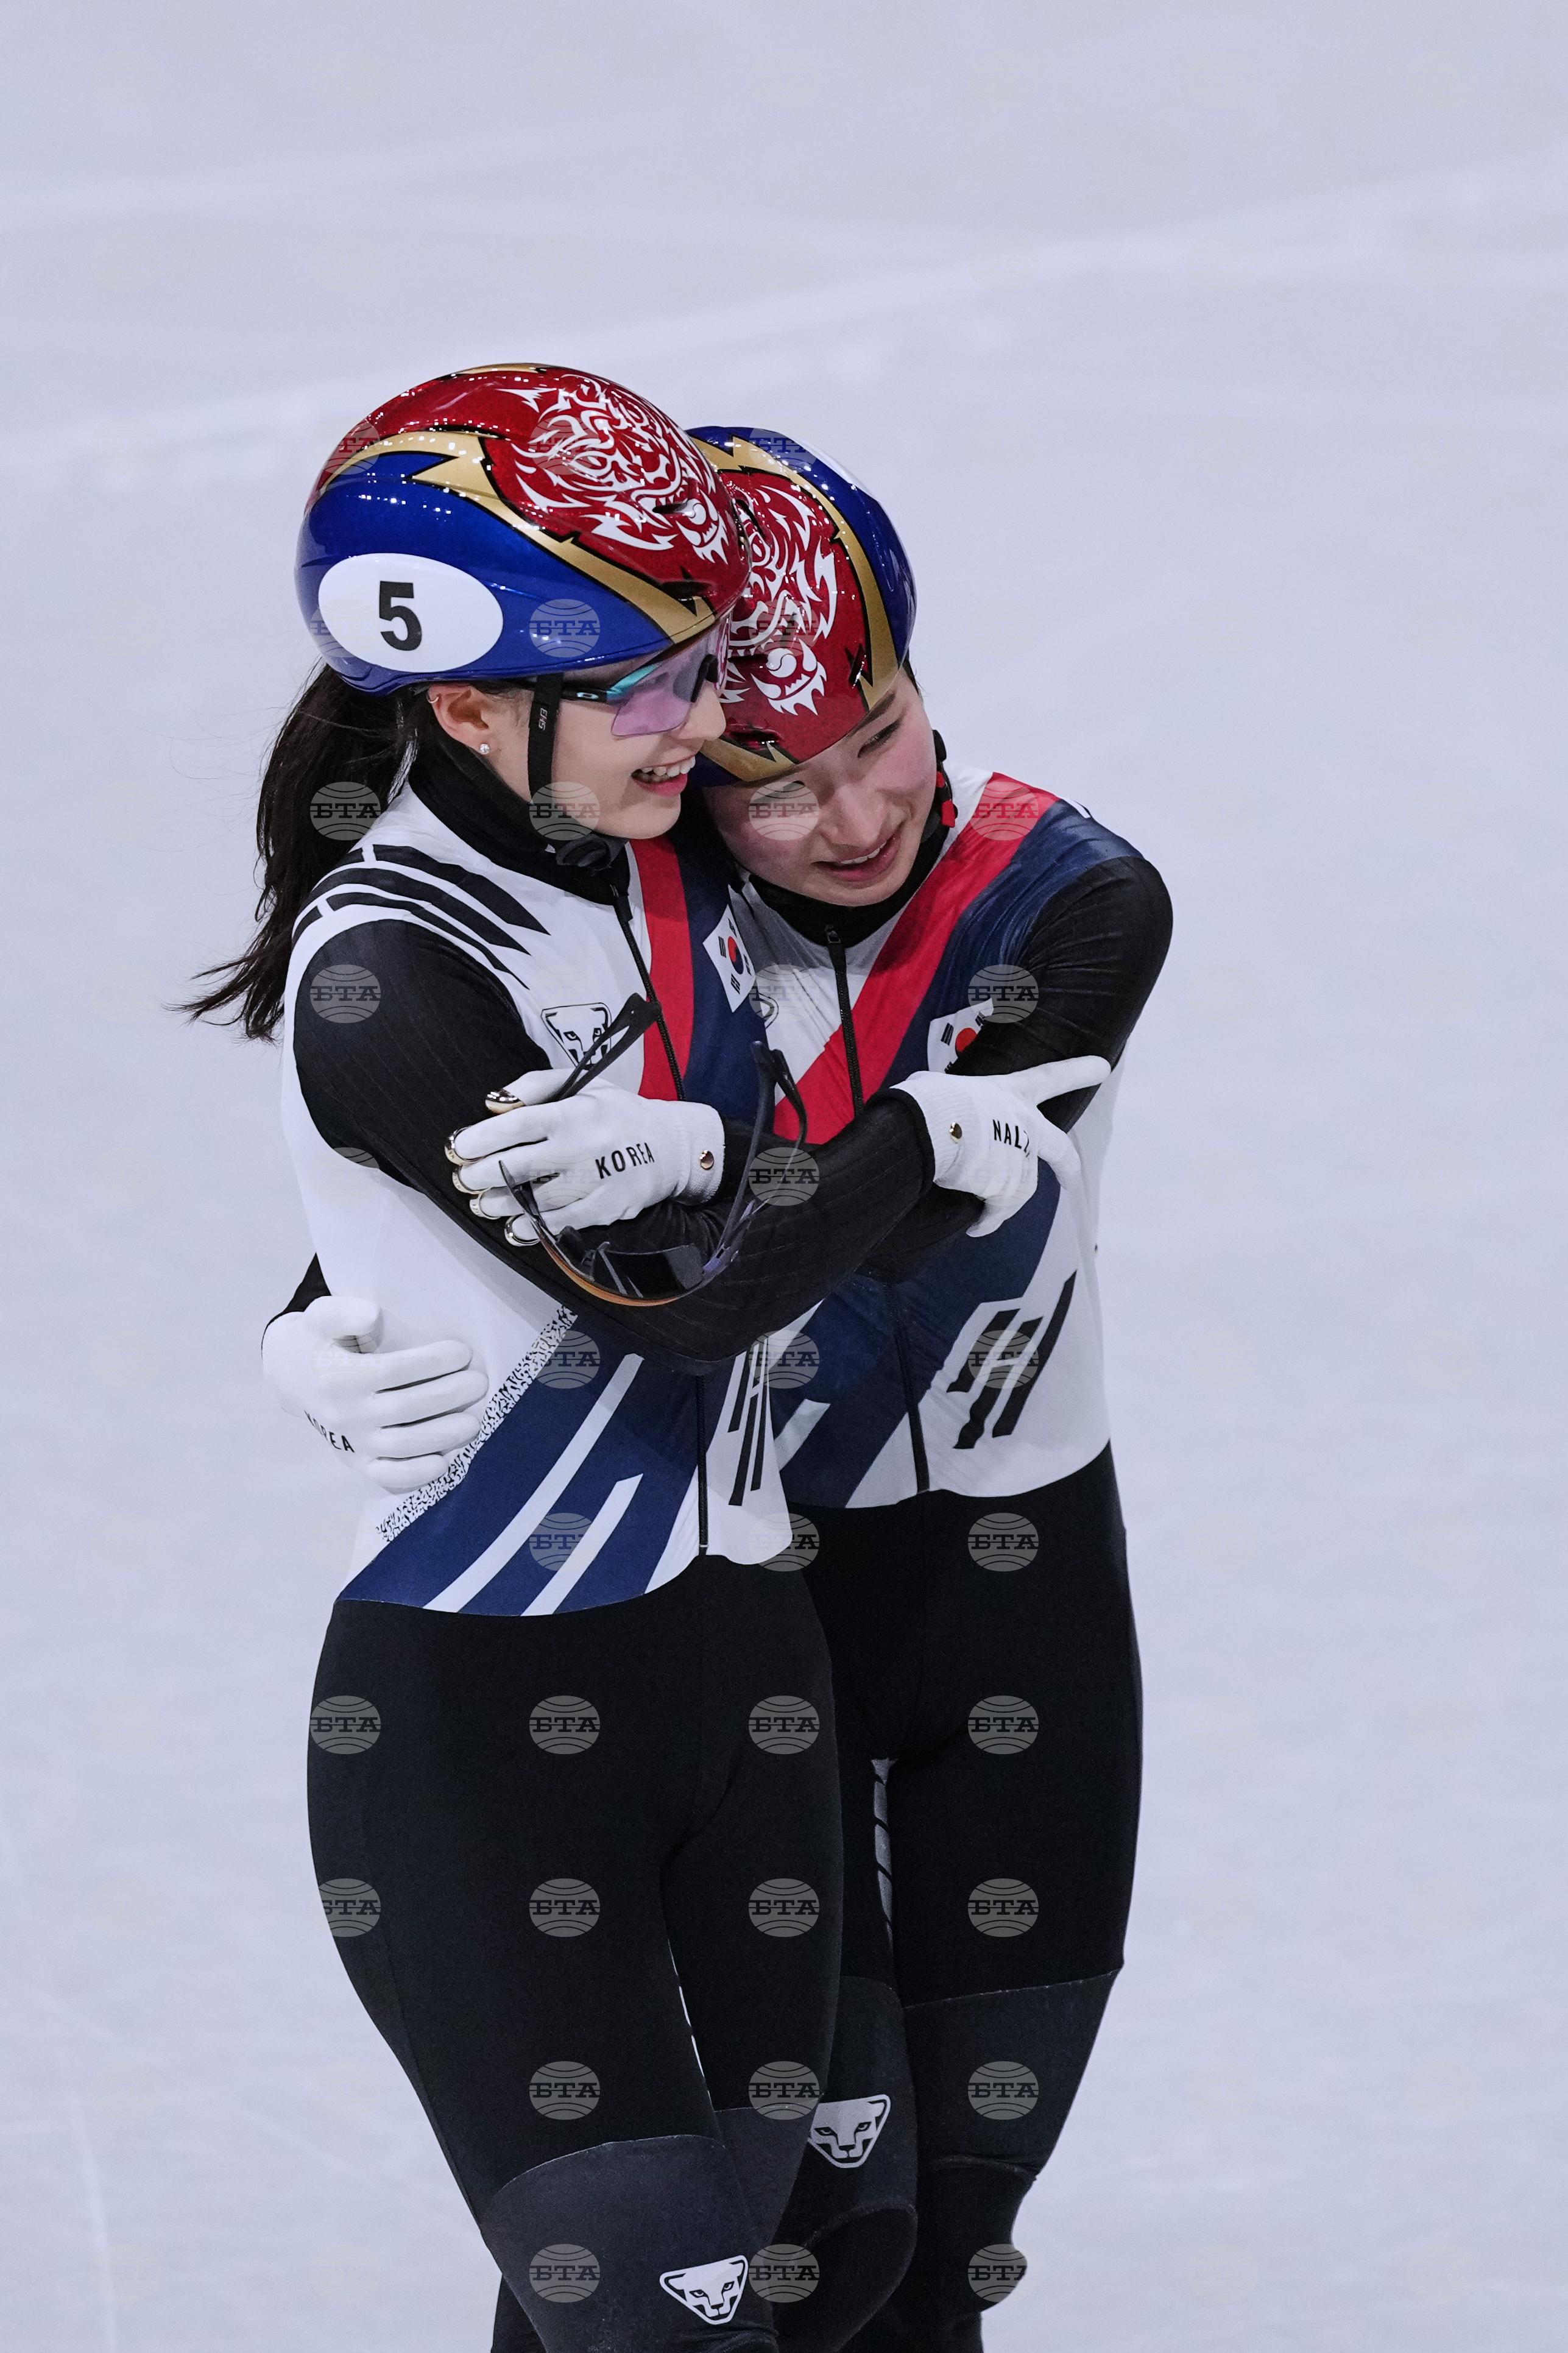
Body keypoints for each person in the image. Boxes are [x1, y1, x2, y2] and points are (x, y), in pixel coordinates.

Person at [194, 366, 1080, 2353]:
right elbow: (675, 1302)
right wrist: (914, 1145)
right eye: (663, 689)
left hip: (752, 1681)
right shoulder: (385, 968)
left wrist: (310, 1304)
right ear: (469, 706)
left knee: (827, 2266)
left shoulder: (660, 858)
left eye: (699, 670)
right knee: (667, 2329)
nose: (711, 726)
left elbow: (563, 1195)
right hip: (490, 1732)